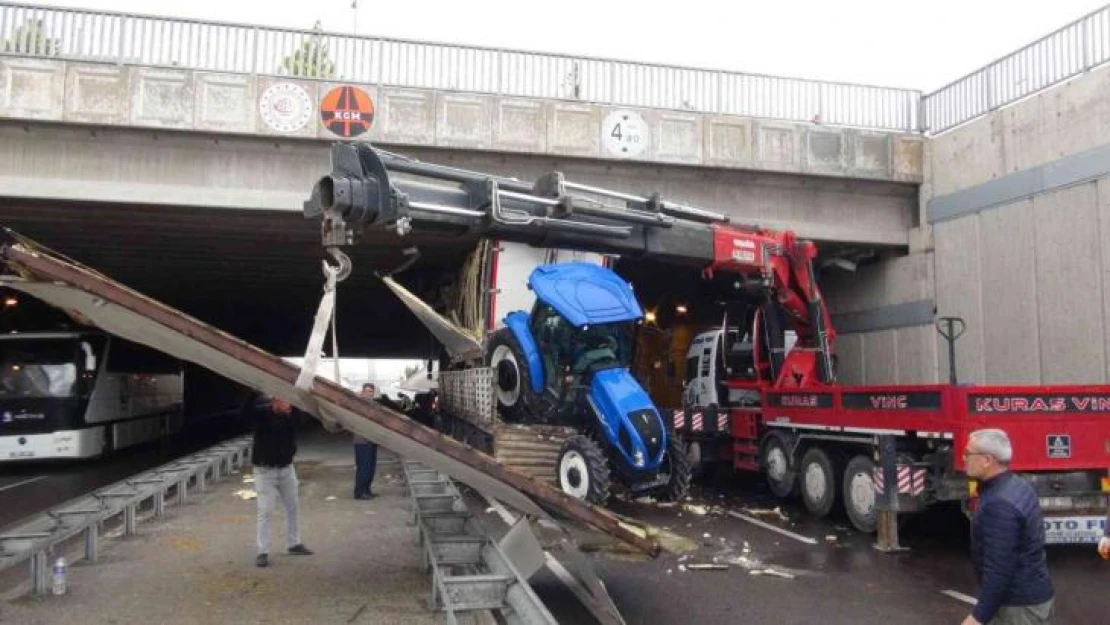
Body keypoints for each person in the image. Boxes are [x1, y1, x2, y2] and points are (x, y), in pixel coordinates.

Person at [961, 428, 1054, 625]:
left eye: (968, 454)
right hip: (1035, 599)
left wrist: (978, 618)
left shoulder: (998, 504)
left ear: (987, 460)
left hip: (1018, 610)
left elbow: (999, 568)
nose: (964, 458)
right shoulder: (1018, 486)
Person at [248, 394, 313, 567]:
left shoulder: (290, 417)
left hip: (286, 468)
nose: (289, 405)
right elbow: (244, 413)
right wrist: (251, 394)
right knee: (266, 510)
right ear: (275, 401)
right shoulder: (262, 415)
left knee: (293, 506)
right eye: (286, 400)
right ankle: (262, 551)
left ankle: (294, 543)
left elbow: (302, 417)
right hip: (265, 471)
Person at [353, 383, 379, 500]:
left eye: (371, 391)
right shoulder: (358, 405)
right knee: (363, 467)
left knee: (370, 467)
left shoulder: (373, 405)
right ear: (362, 392)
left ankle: (367, 490)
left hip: (372, 440)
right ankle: (359, 492)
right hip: (362, 441)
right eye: (367, 391)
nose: (369, 393)